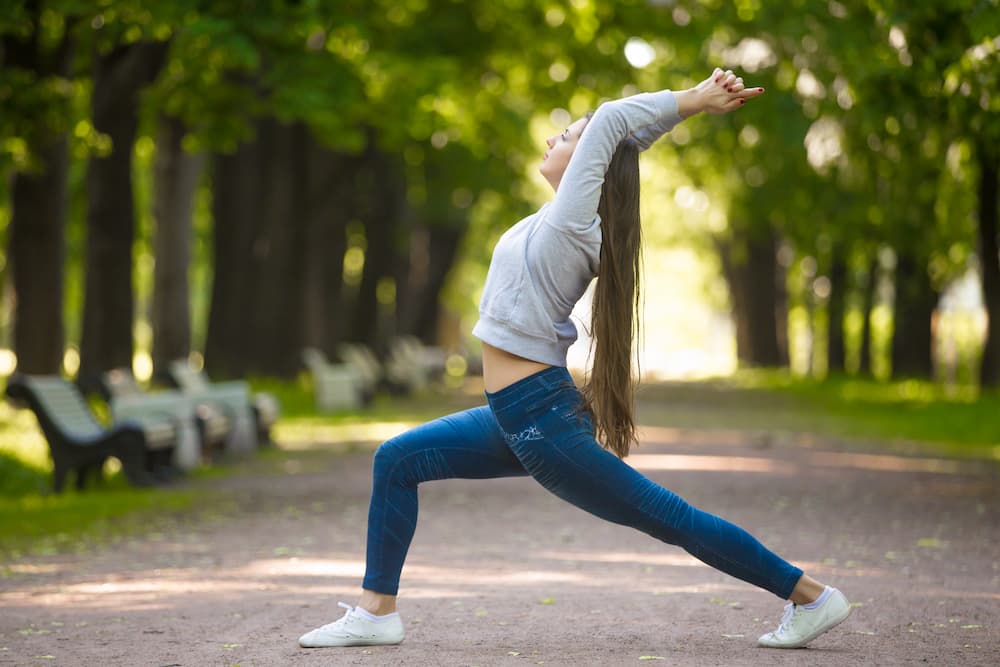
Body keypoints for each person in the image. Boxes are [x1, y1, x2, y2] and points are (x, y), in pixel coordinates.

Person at [299, 67, 852, 651]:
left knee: (669, 518)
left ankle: (810, 595)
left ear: (592, 160)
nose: (553, 140)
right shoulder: (557, 218)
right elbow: (621, 135)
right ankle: (377, 612)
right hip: (515, 415)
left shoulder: (571, 226)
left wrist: (693, 101)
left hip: (537, 418)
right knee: (397, 460)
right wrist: (649, 129)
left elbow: (614, 121)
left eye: (567, 136)